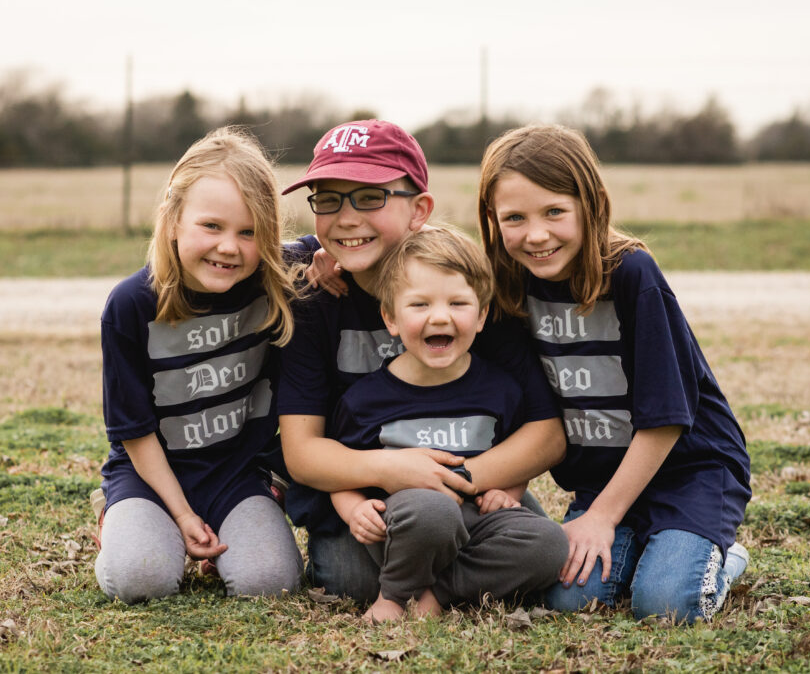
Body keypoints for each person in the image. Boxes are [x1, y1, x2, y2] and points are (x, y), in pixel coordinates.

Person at [277, 119, 566, 604]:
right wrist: (393, 472)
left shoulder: (463, 287)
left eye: (370, 197)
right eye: (329, 198)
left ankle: (425, 593)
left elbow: (545, 432)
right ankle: (444, 583)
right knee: (352, 583)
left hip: (476, 485)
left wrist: (451, 480)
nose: (347, 217)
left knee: (543, 553)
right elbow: (303, 453)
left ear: (420, 209)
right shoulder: (314, 295)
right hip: (371, 499)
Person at [476, 124, 752, 623]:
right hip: (600, 479)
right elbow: (525, 405)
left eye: (555, 211)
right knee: (568, 600)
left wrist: (602, 518)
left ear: (593, 203)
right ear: (492, 220)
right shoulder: (509, 287)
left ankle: (720, 557)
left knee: (667, 604)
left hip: (689, 472)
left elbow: (666, 419)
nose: (535, 235)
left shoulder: (631, 273)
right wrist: (516, 484)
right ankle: (646, 543)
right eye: (514, 217)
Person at [94, 127, 313, 604]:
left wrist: (331, 265)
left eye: (249, 232)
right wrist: (181, 514)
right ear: (172, 221)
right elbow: (133, 430)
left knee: (270, 583)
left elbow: (343, 247)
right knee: (141, 581)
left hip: (237, 475)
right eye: (211, 226)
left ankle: (245, 520)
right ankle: (119, 519)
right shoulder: (132, 304)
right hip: (149, 475)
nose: (229, 247)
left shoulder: (276, 279)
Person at [329, 227, 568, 622]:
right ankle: (394, 596)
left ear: (482, 315)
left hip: (481, 524)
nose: (440, 316)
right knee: (434, 511)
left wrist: (510, 490)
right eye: (419, 305)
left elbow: (515, 453)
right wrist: (354, 509)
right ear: (390, 317)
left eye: (458, 303)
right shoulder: (365, 399)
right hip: (410, 527)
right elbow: (342, 472)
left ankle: (436, 593)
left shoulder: (499, 389)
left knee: (549, 542)